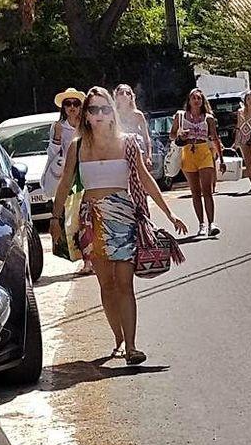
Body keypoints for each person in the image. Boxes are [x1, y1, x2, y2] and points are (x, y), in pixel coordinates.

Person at [49, 87, 188, 364]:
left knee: (125, 284)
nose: (99, 115)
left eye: (104, 109)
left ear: (112, 113)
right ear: (86, 116)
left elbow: (146, 179)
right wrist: (55, 219)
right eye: (93, 110)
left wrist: (169, 214)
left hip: (123, 218)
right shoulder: (77, 146)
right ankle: (118, 337)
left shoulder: (127, 143)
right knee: (107, 284)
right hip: (92, 221)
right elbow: (65, 183)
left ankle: (132, 346)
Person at [43, 87, 91, 275]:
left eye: (76, 103)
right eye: (67, 103)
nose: (72, 107)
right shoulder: (58, 127)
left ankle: (89, 260)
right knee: (73, 220)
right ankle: (81, 256)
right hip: (68, 176)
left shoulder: (87, 124)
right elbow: (52, 154)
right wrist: (56, 137)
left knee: (86, 217)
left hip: (86, 173)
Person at [170, 88, 225, 237]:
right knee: (195, 192)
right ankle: (201, 224)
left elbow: (214, 137)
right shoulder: (180, 116)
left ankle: (211, 223)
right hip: (187, 152)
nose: (196, 101)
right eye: (193, 98)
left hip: (203, 152)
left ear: (202, 101)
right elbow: (172, 134)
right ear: (189, 100)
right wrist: (180, 135)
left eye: (199, 98)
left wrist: (221, 158)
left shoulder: (208, 118)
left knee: (207, 190)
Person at [114, 83, 153, 169]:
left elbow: (146, 138)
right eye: (121, 93)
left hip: (138, 153)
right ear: (116, 97)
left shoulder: (138, 115)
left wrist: (149, 157)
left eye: (128, 93)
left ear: (131, 97)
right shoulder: (112, 115)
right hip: (119, 155)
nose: (124, 95)